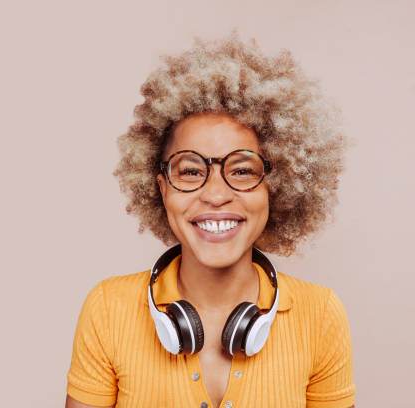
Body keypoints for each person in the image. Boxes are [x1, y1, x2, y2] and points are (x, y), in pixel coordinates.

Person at [65, 31, 355, 408]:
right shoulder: (108, 309)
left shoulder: (320, 315)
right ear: (161, 188)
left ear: (276, 186)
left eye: (242, 171)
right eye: (189, 171)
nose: (216, 194)